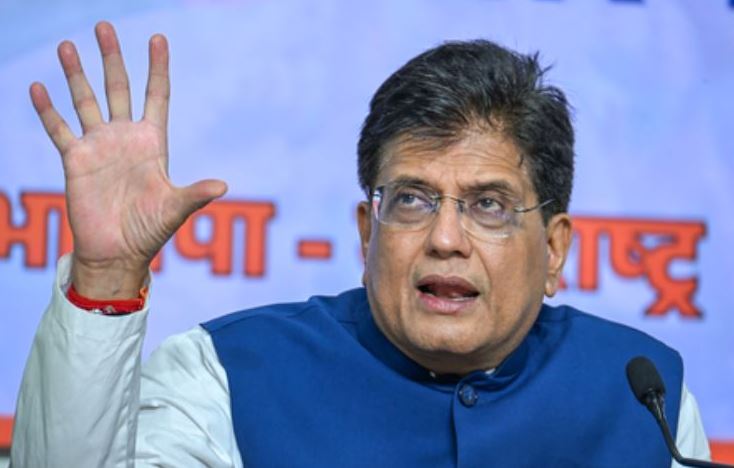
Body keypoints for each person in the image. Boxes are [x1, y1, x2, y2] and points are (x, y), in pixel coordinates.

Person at [11, 22, 711, 467]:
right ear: (367, 232)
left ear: (554, 250)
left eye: (489, 206)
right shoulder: (226, 373)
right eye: (411, 199)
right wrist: (106, 276)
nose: (445, 239)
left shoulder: (646, 397)